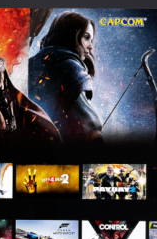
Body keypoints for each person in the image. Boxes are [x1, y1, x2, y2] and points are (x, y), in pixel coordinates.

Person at [29, 11, 104, 144]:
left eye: (91, 40)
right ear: (70, 36)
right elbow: (90, 127)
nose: (90, 46)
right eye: (86, 37)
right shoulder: (69, 67)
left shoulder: (30, 64)